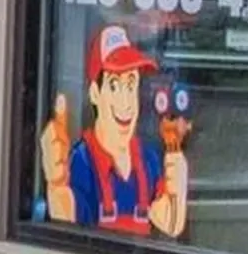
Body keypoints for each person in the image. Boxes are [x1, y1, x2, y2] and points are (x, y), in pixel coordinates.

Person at [40, 24, 189, 237]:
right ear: (95, 93)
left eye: (130, 85)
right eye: (113, 86)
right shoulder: (82, 161)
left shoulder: (148, 160)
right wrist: (56, 185)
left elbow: (167, 223)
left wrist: (177, 191)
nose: (125, 103)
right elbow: (67, 220)